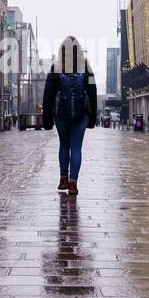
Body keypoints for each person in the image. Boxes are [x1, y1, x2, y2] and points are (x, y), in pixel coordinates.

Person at [42, 36, 98, 196]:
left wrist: (46, 120)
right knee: (77, 148)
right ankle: (73, 184)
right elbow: (92, 94)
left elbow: (48, 96)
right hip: (81, 116)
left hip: (61, 115)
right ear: (79, 52)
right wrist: (92, 118)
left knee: (64, 145)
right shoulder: (87, 69)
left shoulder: (55, 68)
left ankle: (63, 179)